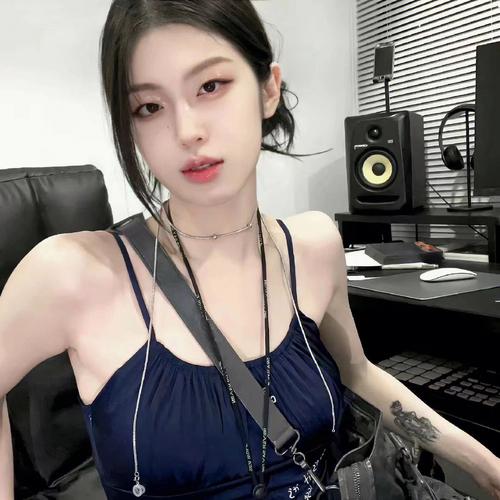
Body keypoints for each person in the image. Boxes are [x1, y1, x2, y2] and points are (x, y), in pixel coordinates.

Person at [1, 1, 500, 498]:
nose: (186, 131)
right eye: (149, 107)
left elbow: (356, 372)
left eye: (210, 86)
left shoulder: (313, 245)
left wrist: (485, 465)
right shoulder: (72, 273)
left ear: (268, 89)